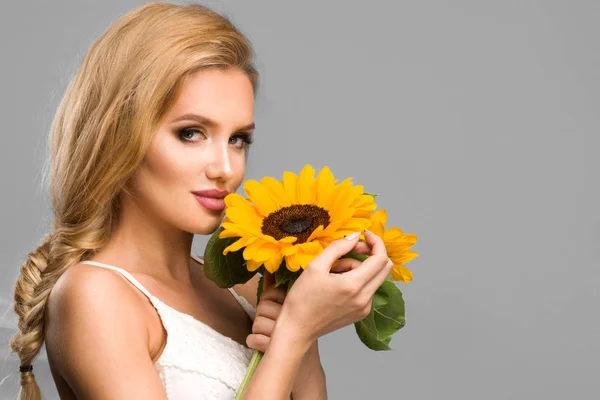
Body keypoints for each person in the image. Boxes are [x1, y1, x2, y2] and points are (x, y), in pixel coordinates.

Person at [9, 2, 394, 399]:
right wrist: (294, 333)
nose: (225, 168)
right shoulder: (93, 296)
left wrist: (302, 335)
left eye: (238, 139)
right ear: (118, 135)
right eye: (191, 133)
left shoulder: (242, 289)